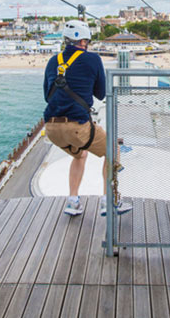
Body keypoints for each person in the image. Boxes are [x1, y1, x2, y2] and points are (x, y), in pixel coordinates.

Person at [43, 19, 131, 217]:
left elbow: (46, 94)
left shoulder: (53, 61)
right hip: (77, 126)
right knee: (113, 149)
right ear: (84, 41)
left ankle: (73, 201)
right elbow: (100, 93)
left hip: (51, 128)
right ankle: (109, 199)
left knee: (80, 154)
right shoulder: (93, 59)